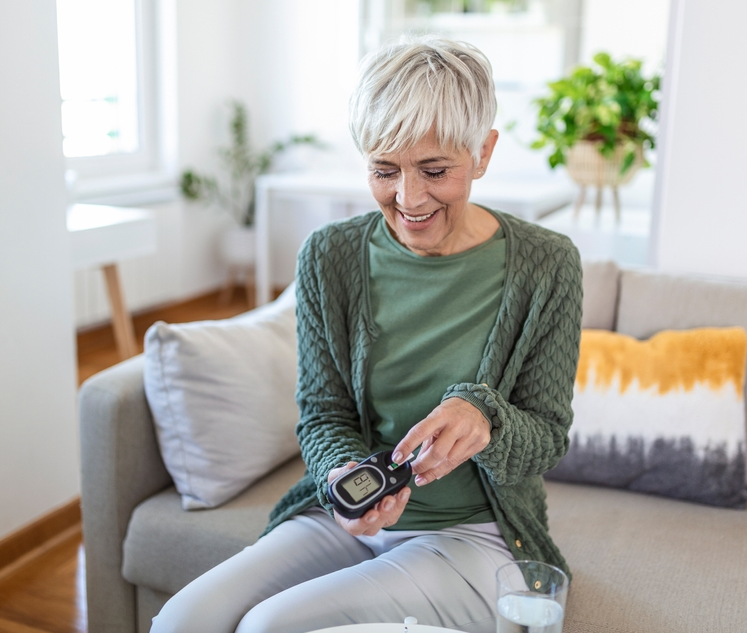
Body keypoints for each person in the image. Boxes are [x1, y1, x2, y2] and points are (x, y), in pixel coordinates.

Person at [150, 36, 583, 633]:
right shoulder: (330, 256)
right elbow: (324, 414)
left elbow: (548, 436)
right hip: (352, 522)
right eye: (384, 170)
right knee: (182, 621)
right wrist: (342, 481)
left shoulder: (547, 264)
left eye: (435, 170)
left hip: (475, 535)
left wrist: (485, 417)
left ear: (482, 153)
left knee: (268, 627)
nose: (409, 198)